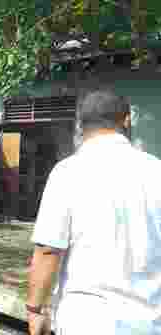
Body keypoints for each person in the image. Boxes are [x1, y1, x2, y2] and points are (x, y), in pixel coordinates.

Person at [26, 90, 161, 335]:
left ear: (80, 124)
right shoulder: (156, 170)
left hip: (86, 320)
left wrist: (35, 310)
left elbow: (48, 250)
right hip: (148, 322)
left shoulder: (67, 172)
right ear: (126, 120)